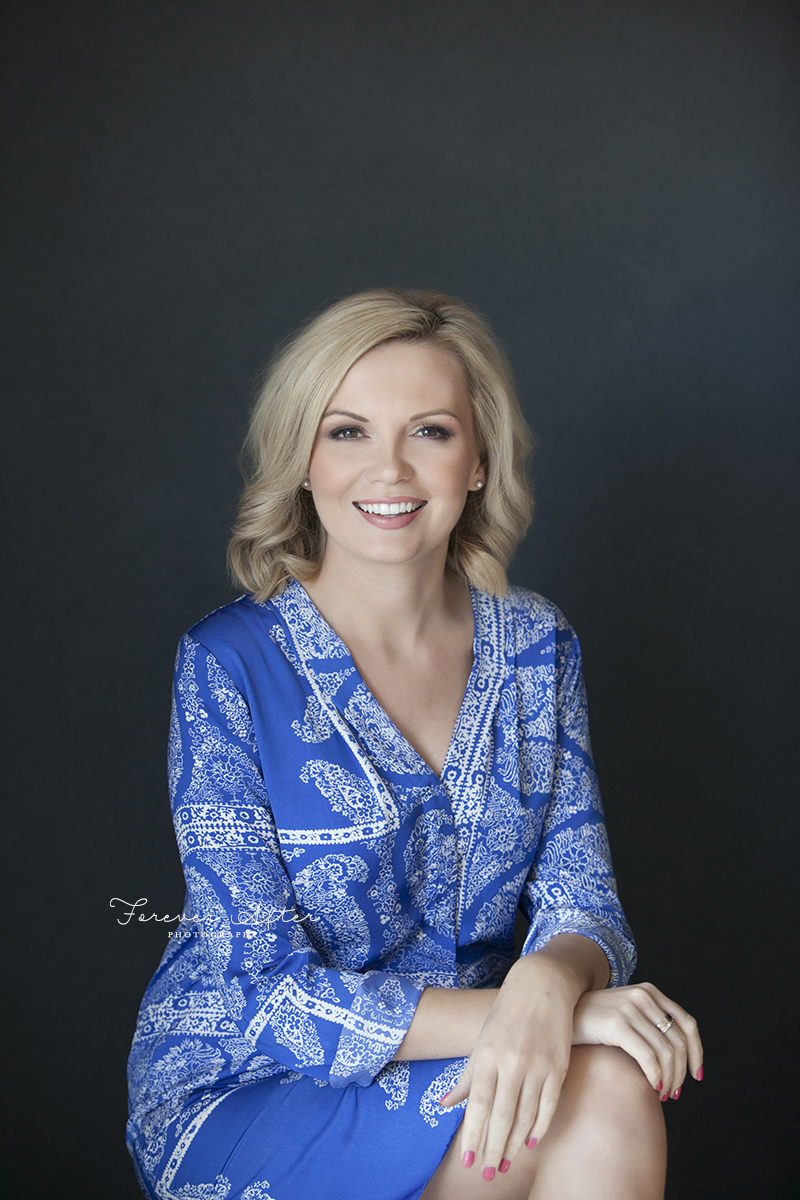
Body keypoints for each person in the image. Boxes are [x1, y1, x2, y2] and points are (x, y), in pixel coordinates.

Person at [126, 288, 702, 1200]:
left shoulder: (537, 645)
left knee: (612, 1090)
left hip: (487, 1056)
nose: (388, 469)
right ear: (303, 462)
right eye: (347, 432)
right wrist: (529, 1014)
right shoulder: (228, 664)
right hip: (252, 1080)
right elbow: (267, 993)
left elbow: (583, 901)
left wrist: (552, 982)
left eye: (430, 431)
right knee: (600, 1088)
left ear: (478, 462)